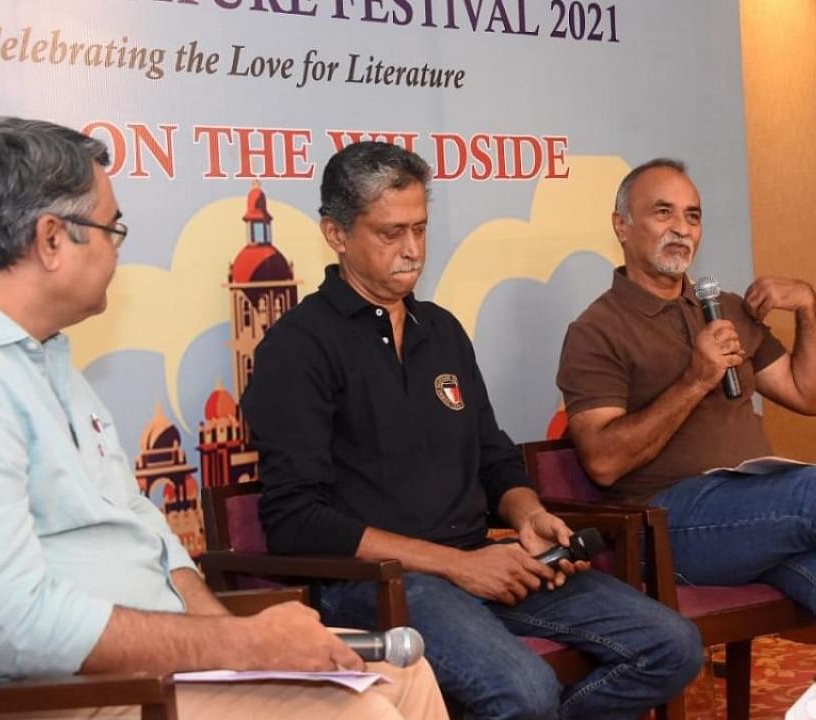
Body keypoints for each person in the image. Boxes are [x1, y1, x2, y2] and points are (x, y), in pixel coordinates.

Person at [0, 117, 447, 720]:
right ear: (51, 239)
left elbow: (145, 533)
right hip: (62, 693)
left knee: (402, 678)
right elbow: (9, 624)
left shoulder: (44, 354)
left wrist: (242, 649)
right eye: (110, 228)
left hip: (153, 667)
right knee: (360, 713)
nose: (117, 249)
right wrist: (242, 643)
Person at [242, 141, 702, 720]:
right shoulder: (300, 346)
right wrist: (456, 565)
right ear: (336, 234)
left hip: (479, 559)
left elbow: (494, 459)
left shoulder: (442, 331)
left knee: (672, 645)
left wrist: (528, 515)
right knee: (525, 692)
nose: (412, 251)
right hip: (379, 583)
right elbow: (295, 520)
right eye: (390, 233)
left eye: (421, 228)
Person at [556, 158, 816, 670]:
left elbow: (810, 395)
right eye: (662, 213)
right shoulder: (596, 329)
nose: (681, 228)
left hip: (757, 512)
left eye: (693, 216)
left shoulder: (727, 308)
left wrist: (807, 305)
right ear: (621, 225)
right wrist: (696, 378)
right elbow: (604, 460)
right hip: (665, 527)